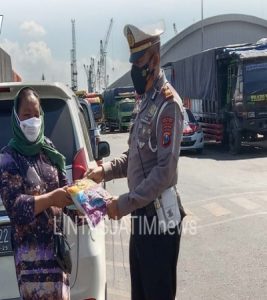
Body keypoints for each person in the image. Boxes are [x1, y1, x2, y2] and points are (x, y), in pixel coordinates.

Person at [88, 23, 185, 300]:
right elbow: (133, 156)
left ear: (154, 59)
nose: (134, 69)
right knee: (140, 294)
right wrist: (103, 170)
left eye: (139, 62)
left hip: (159, 219)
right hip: (142, 213)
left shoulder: (168, 105)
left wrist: (123, 203)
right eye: (133, 62)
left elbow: (164, 172)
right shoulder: (144, 103)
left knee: (157, 293)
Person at [0, 87, 74, 300]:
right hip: (31, 260)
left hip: (57, 254)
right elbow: (16, 208)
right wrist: (51, 198)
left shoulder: (49, 150)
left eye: (36, 114)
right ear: (16, 117)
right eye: (26, 115)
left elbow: (64, 188)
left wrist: (84, 200)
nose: (32, 120)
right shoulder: (8, 158)